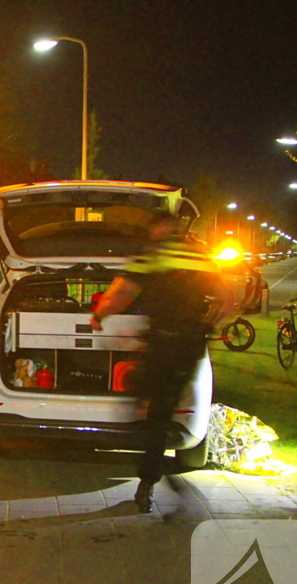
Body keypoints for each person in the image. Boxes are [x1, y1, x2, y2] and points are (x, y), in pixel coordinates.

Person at [89, 213, 235, 513]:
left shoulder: (152, 254)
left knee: (148, 404)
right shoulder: (200, 256)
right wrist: (208, 324)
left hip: (164, 341)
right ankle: (149, 478)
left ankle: (144, 454)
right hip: (190, 344)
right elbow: (228, 299)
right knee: (164, 406)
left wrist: (99, 315)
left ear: (157, 229)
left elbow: (121, 293)